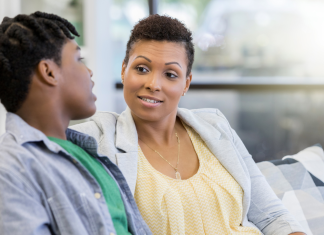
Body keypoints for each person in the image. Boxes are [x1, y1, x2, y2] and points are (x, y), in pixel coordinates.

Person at [71, 15, 306, 235]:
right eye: (142, 69)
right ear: (123, 70)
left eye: (171, 74)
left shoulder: (216, 128)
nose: (153, 84)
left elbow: (272, 216)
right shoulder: (99, 138)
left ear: (186, 83)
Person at [0, 12, 151, 235]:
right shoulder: (11, 169)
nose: (89, 72)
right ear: (49, 72)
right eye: (79, 60)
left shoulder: (87, 152)